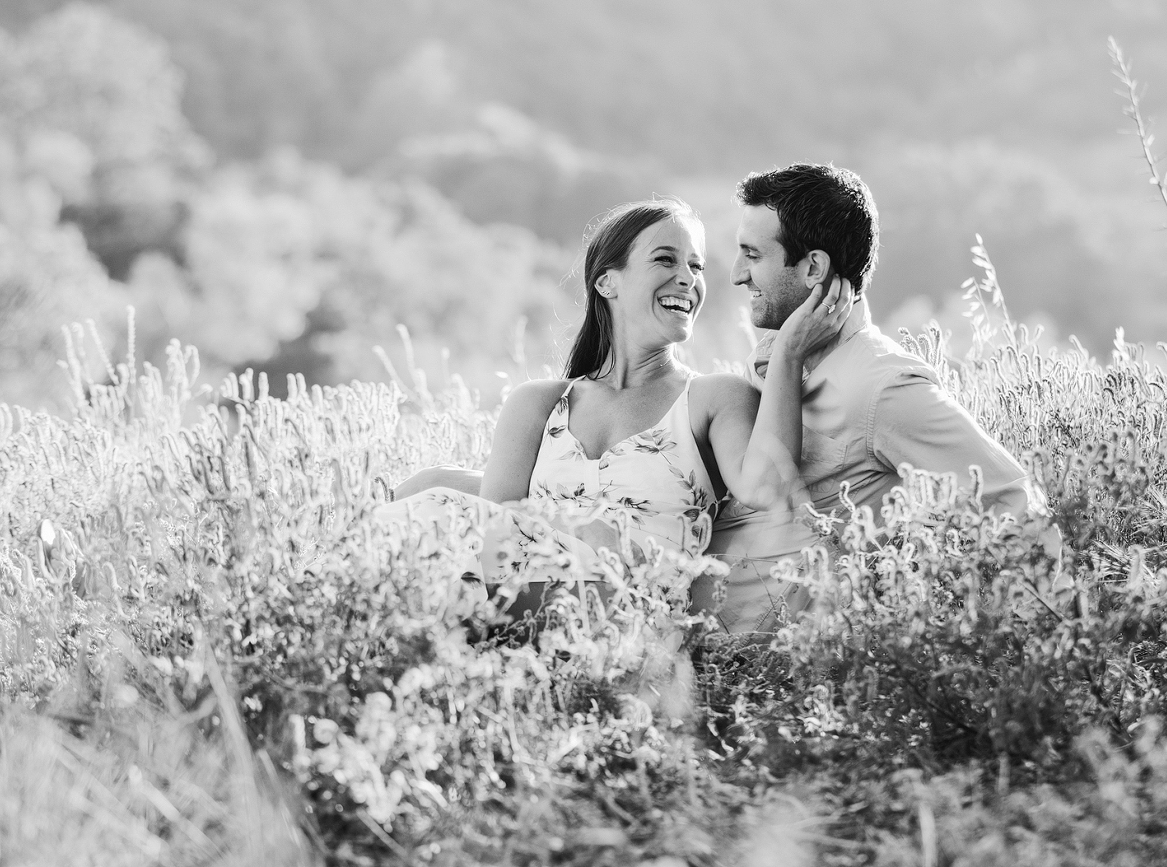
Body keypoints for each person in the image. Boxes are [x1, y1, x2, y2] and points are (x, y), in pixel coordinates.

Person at [380, 197, 852, 628]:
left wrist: (788, 353)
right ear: (607, 281)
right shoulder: (539, 405)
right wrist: (581, 526)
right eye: (666, 260)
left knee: (428, 512)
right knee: (419, 511)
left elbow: (770, 488)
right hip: (523, 601)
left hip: (629, 613)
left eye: (696, 266)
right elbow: (497, 525)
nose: (688, 278)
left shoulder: (713, 398)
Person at [701, 163, 1041, 633]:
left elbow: (1013, 502)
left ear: (813, 268)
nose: (738, 274)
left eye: (752, 255)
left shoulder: (883, 387)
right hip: (688, 642)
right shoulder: (777, 359)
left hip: (768, 675)